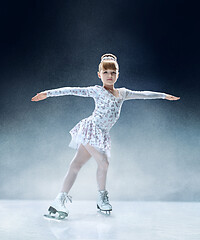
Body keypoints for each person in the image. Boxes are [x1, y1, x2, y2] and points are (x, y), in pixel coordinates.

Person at [31, 53, 180, 219]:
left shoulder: (123, 93)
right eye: (106, 72)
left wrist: (164, 96)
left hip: (101, 135)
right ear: (99, 74)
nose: (110, 76)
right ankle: (101, 197)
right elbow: (71, 90)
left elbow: (143, 94)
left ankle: (58, 201)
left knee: (75, 165)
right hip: (90, 129)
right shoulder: (96, 90)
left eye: (113, 73)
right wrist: (48, 93)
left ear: (118, 74)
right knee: (103, 162)